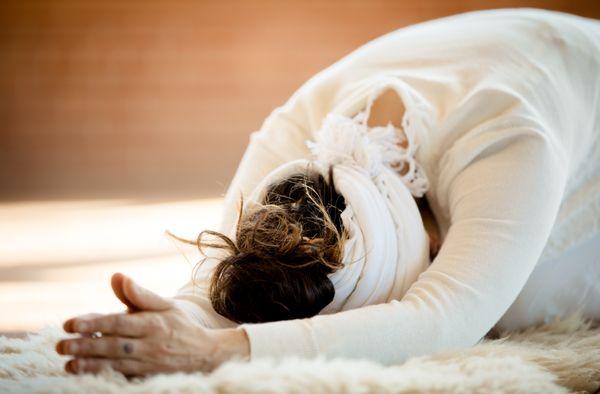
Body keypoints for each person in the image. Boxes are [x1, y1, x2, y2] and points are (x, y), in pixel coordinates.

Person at [56, 8, 600, 377]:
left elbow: (443, 319)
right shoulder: (290, 144)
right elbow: (220, 285)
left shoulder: (505, 137)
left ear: (428, 237)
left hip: (571, 78)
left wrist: (219, 353)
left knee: (515, 302)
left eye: (432, 259)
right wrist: (172, 319)